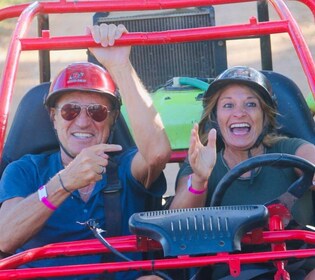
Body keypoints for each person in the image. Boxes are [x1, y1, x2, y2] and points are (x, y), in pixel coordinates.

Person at [0, 23, 171, 280]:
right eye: (70, 111)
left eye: (97, 112)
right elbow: (4, 238)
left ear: (112, 119)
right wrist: (65, 182)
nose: (82, 122)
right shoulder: (25, 170)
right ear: (53, 117)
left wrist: (120, 66)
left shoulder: (124, 168)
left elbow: (157, 154)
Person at [169, 66, 315, 279]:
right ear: (215, 117)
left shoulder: (290, 149)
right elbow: (176, 225)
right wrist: (200, 180)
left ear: (265, 115)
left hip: (296, 268)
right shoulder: (203, 162)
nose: (239, 112)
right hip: (233, 272)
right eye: (228, 105)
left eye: (250, 104)